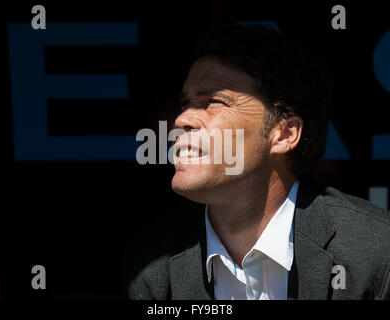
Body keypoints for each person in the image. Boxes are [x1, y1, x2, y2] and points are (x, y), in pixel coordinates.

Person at [123, 24, 390, 300]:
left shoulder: (377, 251)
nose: (181, 120)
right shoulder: (151, 266)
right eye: (185, 103)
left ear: (284, 134)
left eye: (213, 102)